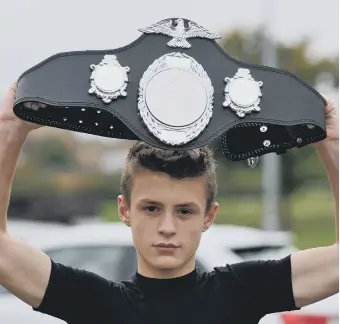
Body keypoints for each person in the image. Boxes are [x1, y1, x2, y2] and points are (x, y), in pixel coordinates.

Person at [0, 81, 338, 324]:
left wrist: (331, 144)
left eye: (185, 211)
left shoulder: (241, 291)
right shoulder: (95, 303)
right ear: (124, 210)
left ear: (209, 216)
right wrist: (10, 130)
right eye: (151, 208)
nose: (166, 227)